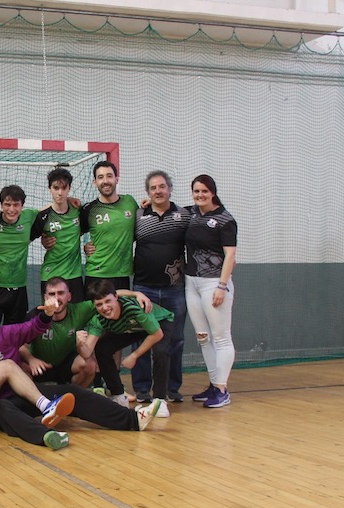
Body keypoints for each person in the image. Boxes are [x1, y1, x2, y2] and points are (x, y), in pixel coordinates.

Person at [0, 298, 78, 449]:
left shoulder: (5, 334)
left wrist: (48, 314)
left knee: (72, 392)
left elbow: (32, 327)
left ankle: (103, 414)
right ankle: (47, 434)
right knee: (7, 372)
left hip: (20, 395)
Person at [131, 170, 189, 403]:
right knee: (141, 338)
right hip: (143, 289)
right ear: (148, 192)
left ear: (170, 189)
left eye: (162, 186)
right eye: (153, 188)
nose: (158, 191)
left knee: (175, 340)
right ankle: (142, 389)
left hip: (175, 290)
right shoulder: (138, 216)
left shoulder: (184, 216)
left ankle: (171, 389)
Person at [79, 279, 175, 409]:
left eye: (108, 301)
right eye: (99, 304)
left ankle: (159, 400)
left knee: (161, 351)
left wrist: (134, 356)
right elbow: (87, 352)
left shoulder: (133, 308)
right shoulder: (98, 319)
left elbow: (157, 334)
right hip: (133, 328)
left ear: (116, 298)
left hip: (159, 323)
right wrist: (79, 343)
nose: (105, 308)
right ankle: (118, 395)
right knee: (102, 348)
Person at [186, 174, 237, 408]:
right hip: (192, 283)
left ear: (213, 192)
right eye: (196, 191)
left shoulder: (225, 220)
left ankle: (221, 389)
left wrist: (222, 286)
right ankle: (214, 383)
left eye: (204, 191)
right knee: (203, 338)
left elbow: (230, 255)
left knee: (221, 337)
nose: (200, 195)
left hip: (214, 284)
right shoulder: (192, 214)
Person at [20, 276, 98, 387]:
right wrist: (31, 360)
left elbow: (106, 298)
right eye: (52, 294)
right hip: (39, 366)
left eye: (61, 293)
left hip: (66, 365)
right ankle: (35, 396)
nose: (56, 298)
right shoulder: (34, 316)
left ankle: (72, 395)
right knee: (19, 367)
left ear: (69, 296)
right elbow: (21, 346)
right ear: (45, 298)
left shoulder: (79, 311)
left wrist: (125, 294)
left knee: (89, 365)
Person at [0, 184, 37, 326]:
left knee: (14, 336)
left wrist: (69, 199)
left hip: (18, 290)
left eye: (16, 205)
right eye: (7, 204)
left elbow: (51, 210)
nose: (11, 209)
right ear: (1, 205)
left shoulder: (29, 216)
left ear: (22, 206)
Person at [80, 160, 139, 292]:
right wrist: (84, 247)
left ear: (116, 179)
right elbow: (73, 232)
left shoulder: (129, 202)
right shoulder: (89, 209)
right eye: (100, 177)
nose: (105, 181)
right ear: (95, 182)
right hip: (96, 274)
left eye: (109, 176)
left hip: (122, 274)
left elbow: (140, 227)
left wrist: (150, 203)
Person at [32, 167, 86, 302]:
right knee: (52, 313)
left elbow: (90, 229)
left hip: (74, 275)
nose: (60, 193)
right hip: (51, 274)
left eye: (64, 188)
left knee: (77, 314)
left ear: (69, 188)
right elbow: (25, 239)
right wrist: (43, 241)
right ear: (49, 188)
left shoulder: (78, 210)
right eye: (56, 188)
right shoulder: (42, 216)